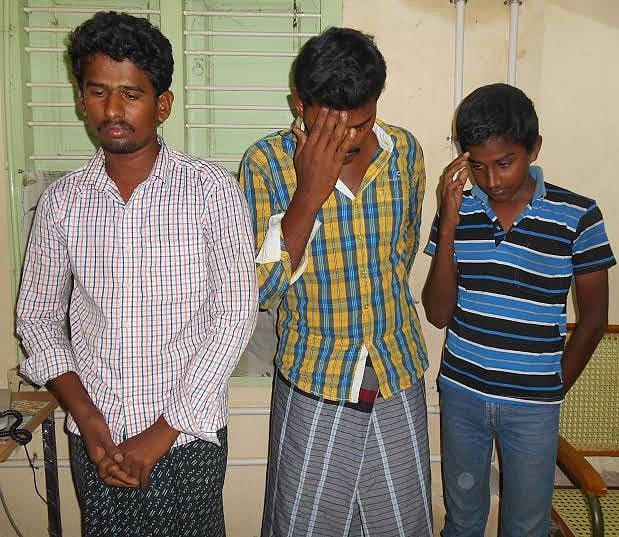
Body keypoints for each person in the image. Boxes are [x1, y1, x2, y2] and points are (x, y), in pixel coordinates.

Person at [16, 11, 258, 536]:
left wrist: (162, 432)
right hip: (97, 439)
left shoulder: (211, 192)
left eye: (131, 94)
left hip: (187, 437)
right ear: (81, 99)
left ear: (162, 104)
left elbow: (235, 315)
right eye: (98, 92)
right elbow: (35, 317)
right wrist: (88, 421)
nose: (112, 110)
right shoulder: (62, 203)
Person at [240, 27, 433, 537]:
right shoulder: (266, 163)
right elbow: (260, 290)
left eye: (361, 125)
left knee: (402, 523)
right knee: (304, 524)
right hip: (315, 376)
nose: (348, 140)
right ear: (298, 103)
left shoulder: (405, 153)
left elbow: (402, 254)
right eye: (330, 129)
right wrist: (310, 192)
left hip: (396, 368)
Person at [423, 83, 615, 537]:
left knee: (527, 525)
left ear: (534, 149)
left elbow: (593, 321)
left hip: (534, 406)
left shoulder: (577, 216)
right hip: (462, 394)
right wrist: (448, 223)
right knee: (462, 519)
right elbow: (437, 314)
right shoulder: (459, 212)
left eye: (504, 163)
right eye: (477, 166)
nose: (491, 181)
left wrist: (552, 388)